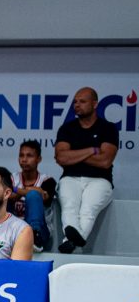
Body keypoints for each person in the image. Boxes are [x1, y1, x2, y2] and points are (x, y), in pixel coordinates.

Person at [55, 87, 118, 254]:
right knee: (69, 207)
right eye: (75, 102)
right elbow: (61, 158)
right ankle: (74, 243)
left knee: (88, 210)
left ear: (95, 104)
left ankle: (70, 242)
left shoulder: (108, 128)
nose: (77, 105)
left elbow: (105, 161)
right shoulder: (67, 128)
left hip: (100, 180)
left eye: (82, 101)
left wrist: (74, 155)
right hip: (70, 177)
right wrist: (92, 150)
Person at [10, 140, 57, 253]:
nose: (24, 159)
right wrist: (27, 191)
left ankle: (35, 238)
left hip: (40, 230)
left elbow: (42, 196)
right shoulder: (11, 178)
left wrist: (16, 190)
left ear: (39, 159)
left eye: (29, 156)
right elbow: (6, 195)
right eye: (21, 155)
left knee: (33, 196)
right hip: (14, 228)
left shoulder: (48, 180)